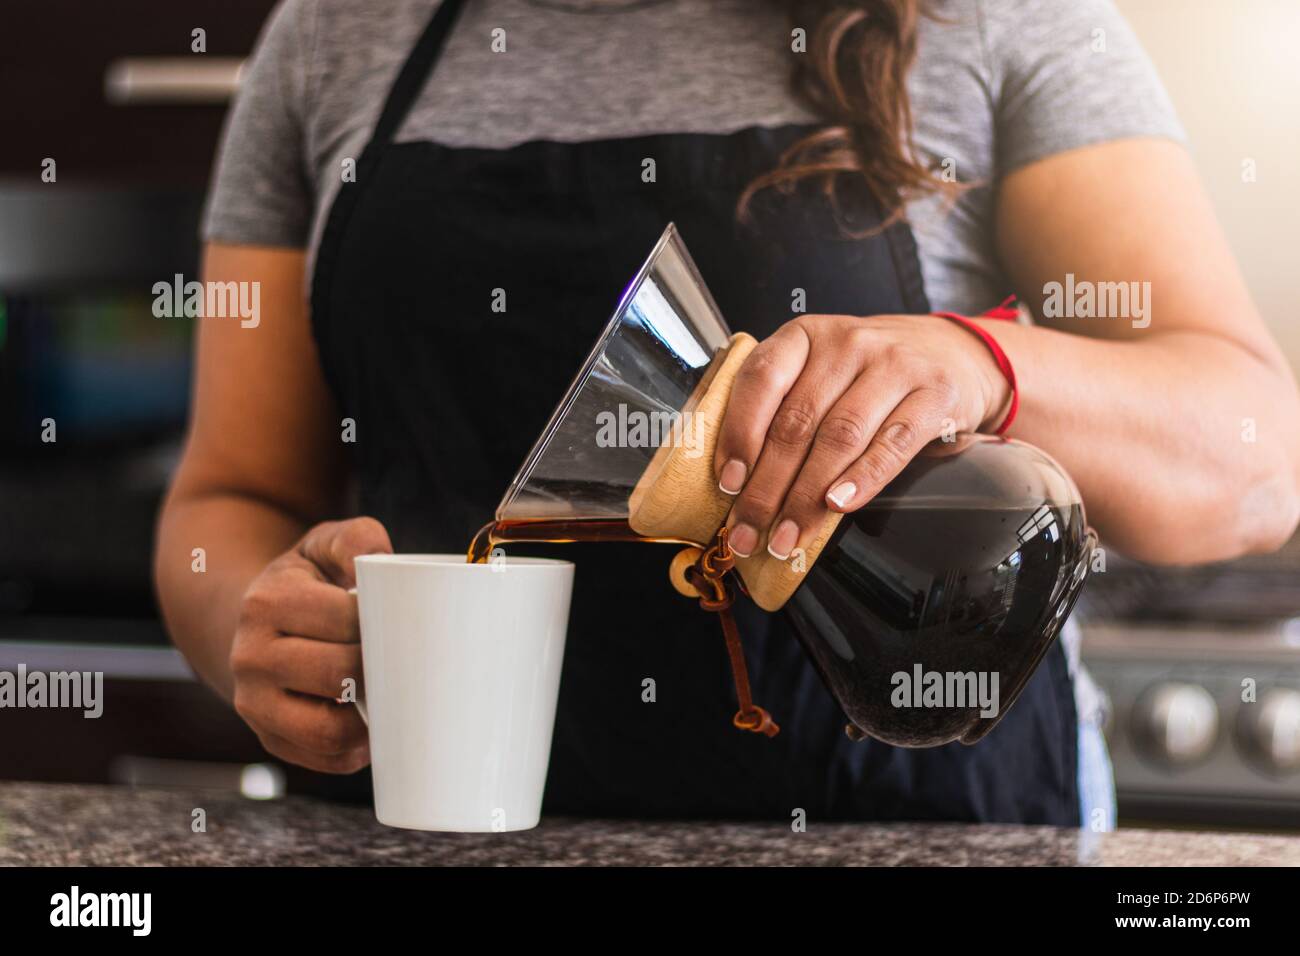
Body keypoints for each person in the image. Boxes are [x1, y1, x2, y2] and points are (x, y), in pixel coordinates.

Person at [155, 0, 1300, 827]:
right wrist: (247, 623)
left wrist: (977, 361)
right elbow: (230, 495)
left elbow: (1259, 461)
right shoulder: (332, 36)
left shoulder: (989, 21)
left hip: (912, 828)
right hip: (426, 828)